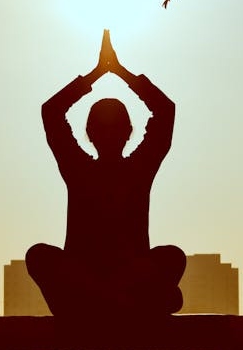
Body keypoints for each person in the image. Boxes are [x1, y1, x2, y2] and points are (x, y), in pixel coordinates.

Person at [26, 30, 185, 319]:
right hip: (96, 281)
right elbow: (164, 110)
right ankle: (117, 301)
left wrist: (103, 73)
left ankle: (107, 299)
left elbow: (52, 112)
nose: (110, 134)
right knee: (38, 255)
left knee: (172, 256)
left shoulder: (116, 168)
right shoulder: (90, 168)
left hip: (103, 285)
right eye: (105, 128)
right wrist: (112, 72)